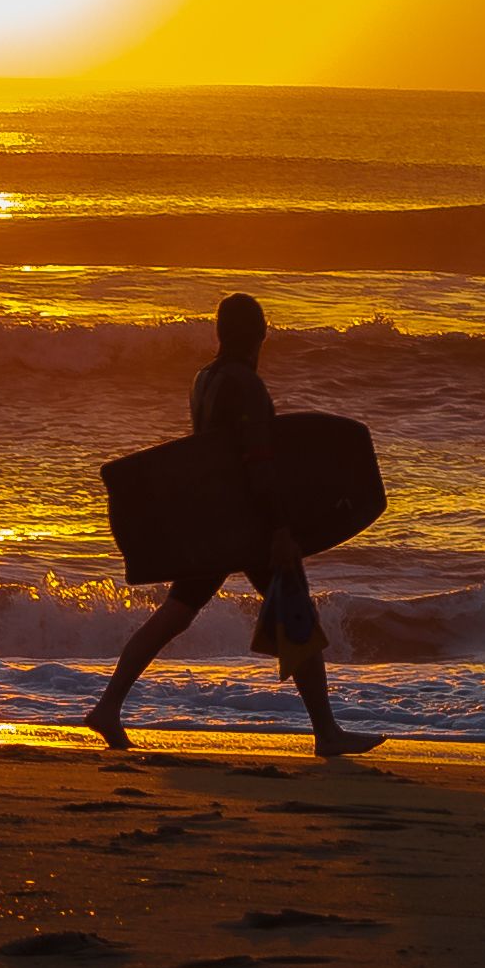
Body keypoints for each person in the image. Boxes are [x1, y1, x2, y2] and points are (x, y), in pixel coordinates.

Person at [85, 293, 385, 758]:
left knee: (175, 614)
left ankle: (108, 706)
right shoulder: (245, 383)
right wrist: (281, 530)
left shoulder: (203, 378)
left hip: (215, 524)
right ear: (260, 334)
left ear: (220, 334)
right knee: (296, 614)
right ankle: (326, 733)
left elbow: (205, 457)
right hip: (248, 527)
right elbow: (258, 465)